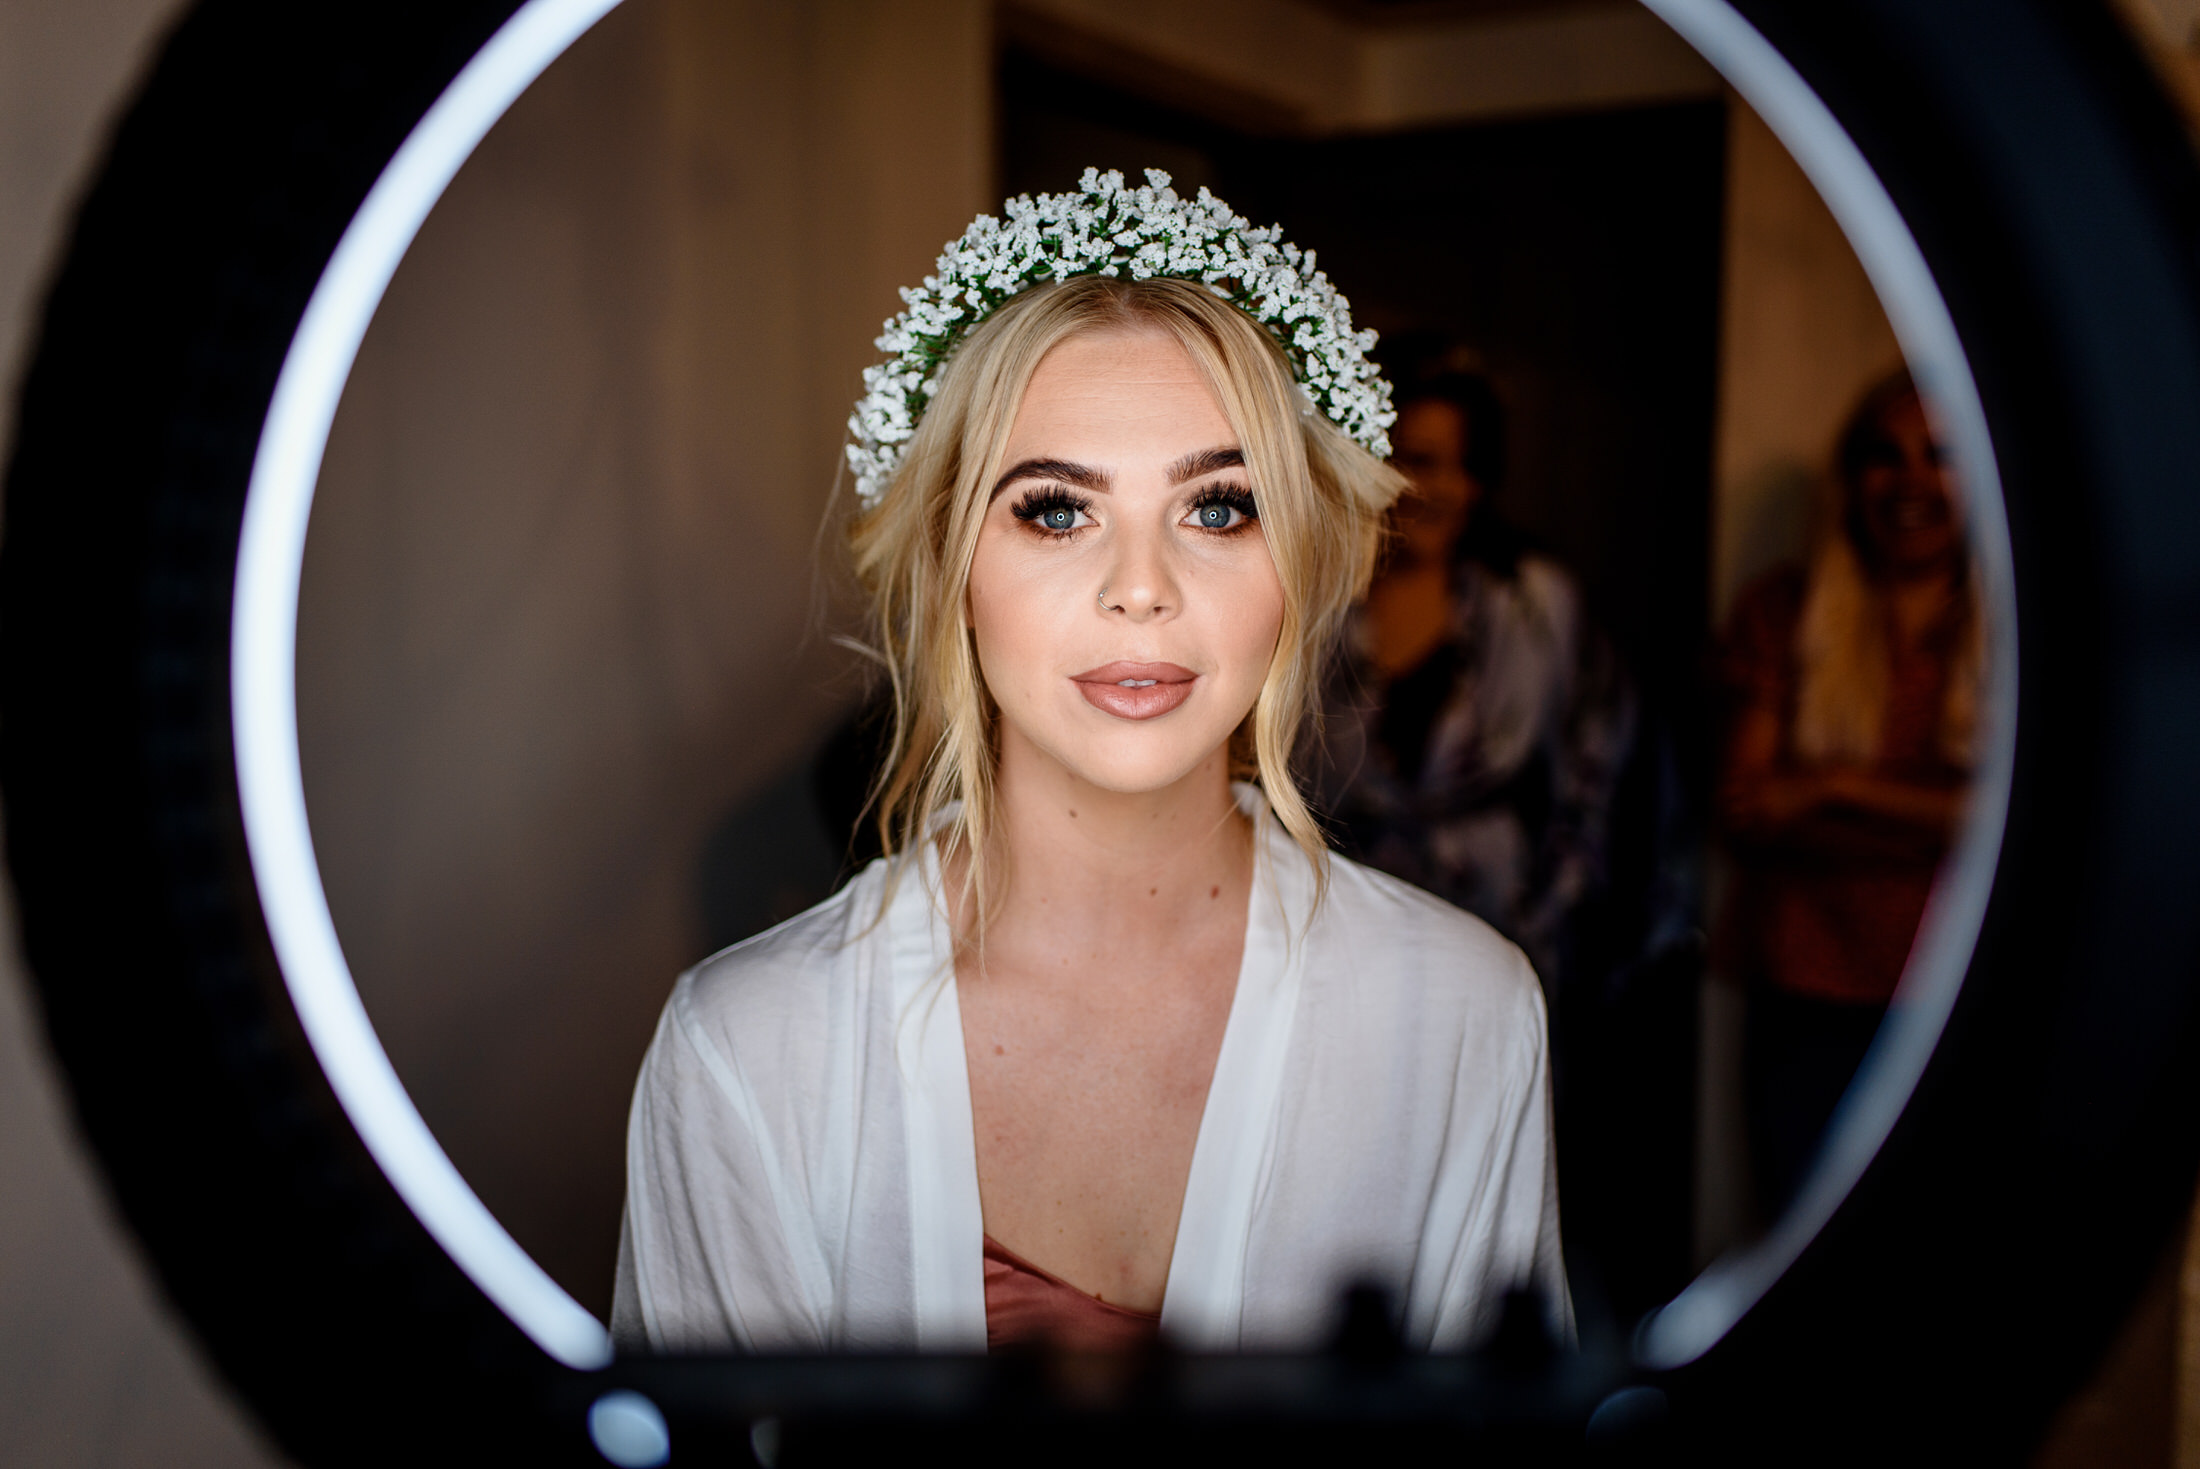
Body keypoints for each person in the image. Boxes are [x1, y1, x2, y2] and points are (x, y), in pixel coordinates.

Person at [612, 171, 1567, 1355]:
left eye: (1219, 507)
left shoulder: (1460, 1014)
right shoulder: (749, 1049)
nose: (1141, 586)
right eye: (1056, 510)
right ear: (951, 565)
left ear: (1303, 564)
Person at [1716, 370, 1980, 1218]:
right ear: (1851, 477)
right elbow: (1745, 802)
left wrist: (1831, 788)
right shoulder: (1789, 611)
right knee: (1803, 1238)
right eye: (1885, 455)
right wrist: (1933, 816)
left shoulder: (2019, 627)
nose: (1910, 480)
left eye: (1939, 456)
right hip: (1807, 997)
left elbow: (2015, 825)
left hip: (1964, 990)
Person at [1314, 369, 1635, 1000]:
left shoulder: (1535, 607)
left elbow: (1596, 780)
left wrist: (1545, 920)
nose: (1440, 489)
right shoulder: (1312, 600)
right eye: (1417, 460)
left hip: (1497, 936)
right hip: (1333, 942)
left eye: (1463, 467)